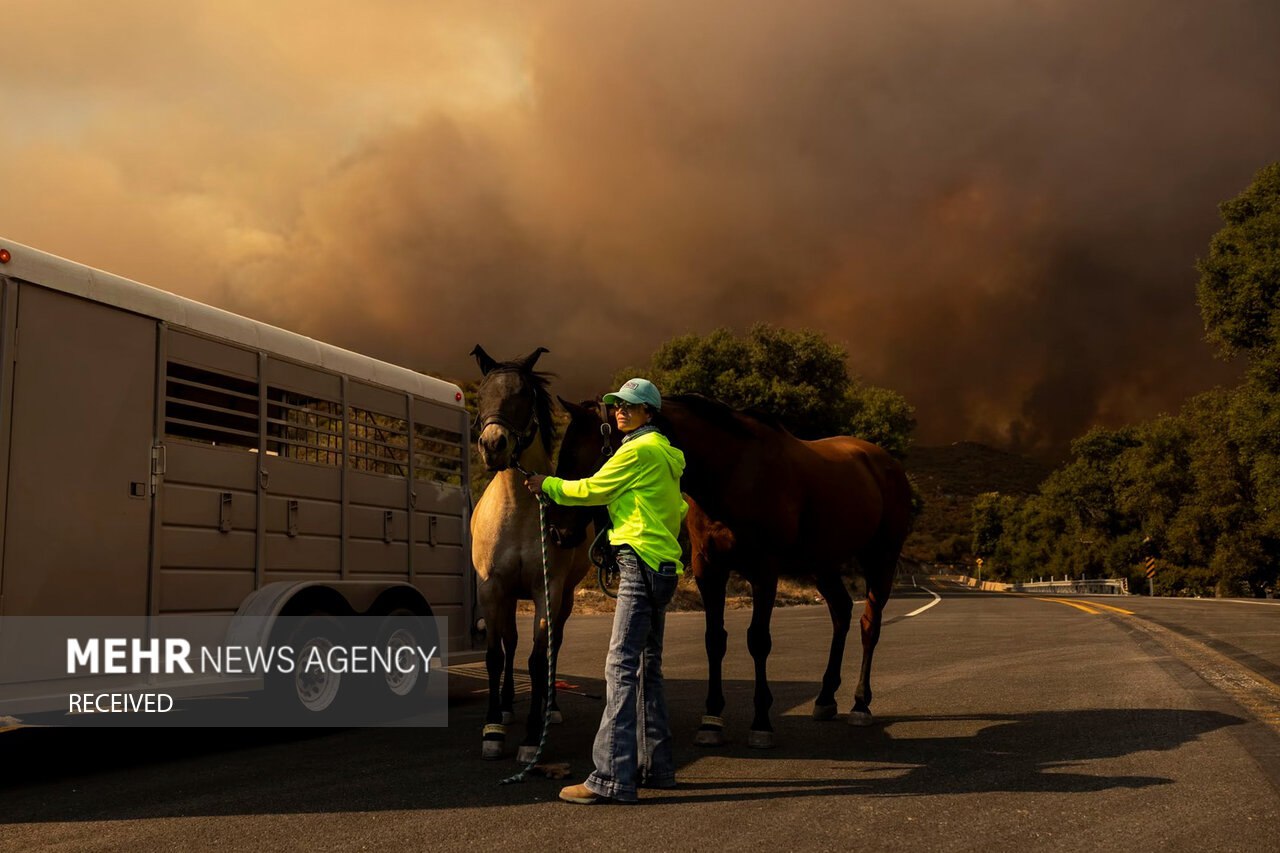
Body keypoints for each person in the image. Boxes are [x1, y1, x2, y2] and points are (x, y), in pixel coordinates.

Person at [524, 377, 688, 804]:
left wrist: (547, 485)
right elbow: (679, 508)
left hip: (639, 562)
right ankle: (657, 766)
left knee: (619, 668)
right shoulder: (668, 456)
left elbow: (592, 488)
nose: (620, 411)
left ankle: (611, 778)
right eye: (617, 405)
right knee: (646, 669)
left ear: (648, 413)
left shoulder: (638, 450)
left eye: (630, 407)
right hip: (663, 564)